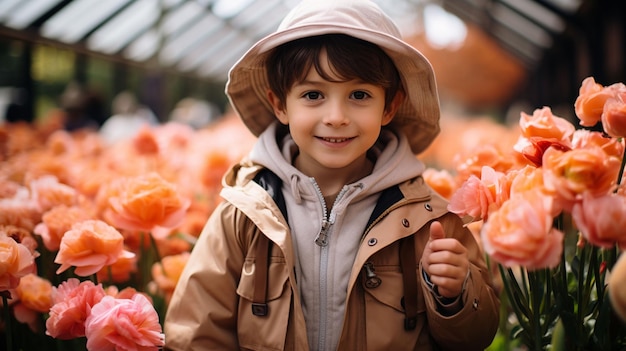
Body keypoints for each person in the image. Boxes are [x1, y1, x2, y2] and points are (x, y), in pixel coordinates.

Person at [163, 0, 500, 350]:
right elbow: (197, 333)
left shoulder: (427, 221)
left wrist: (456, 293)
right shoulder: (244, 216)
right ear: (280, 104)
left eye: (359, 95)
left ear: (390, 106)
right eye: (313, 95)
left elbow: (475, 337)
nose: (336, 116)